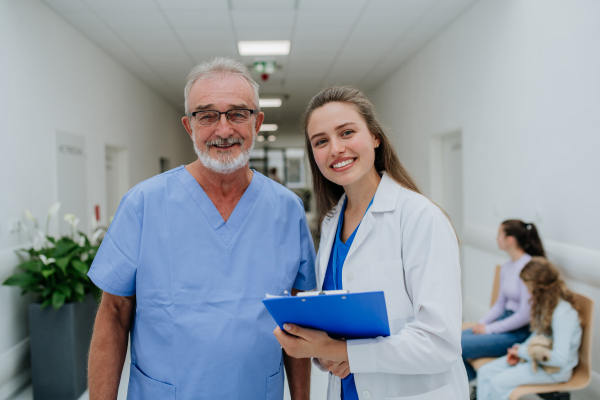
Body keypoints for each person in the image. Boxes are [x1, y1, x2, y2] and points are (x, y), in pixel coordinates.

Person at [87, 58, 316, 400]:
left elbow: (298, 321)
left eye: (238, 113)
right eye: (207, 115)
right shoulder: (144, 204)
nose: (223, 130)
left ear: (257, 122)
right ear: (189, 126)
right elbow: (114, 314)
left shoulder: (287, 209)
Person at [273, 86, 469, 400]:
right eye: (321, 141)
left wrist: (342, 351)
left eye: (346, 132)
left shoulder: (420, 218)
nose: (335, 148)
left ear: (375, 137)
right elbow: (342, 325)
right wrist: (319, 348)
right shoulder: (331, 222)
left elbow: (440, 343)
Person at [477, 257, 582, 400]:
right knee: (484, 371)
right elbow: (537, 336)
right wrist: (518, 350)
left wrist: (523, 352)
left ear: (537, 288)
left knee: (497, 383)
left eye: (527, 287)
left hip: (554, 370)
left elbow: (559, 359)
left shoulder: (563, 314)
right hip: (536, 359)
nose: (526, 291)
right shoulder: (545, 305)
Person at [462, 220, 546, 384]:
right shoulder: (507, 266)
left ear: (510, 240)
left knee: (458, 345)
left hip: (519, 331)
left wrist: (489, 329)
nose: (496, 238)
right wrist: (482, 324)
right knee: (453, 341)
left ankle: (465, 390)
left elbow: (524, 315)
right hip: (504, 322)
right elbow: (500, 303)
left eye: (499, 234)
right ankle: (468, 390)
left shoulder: (529, 268)